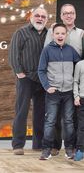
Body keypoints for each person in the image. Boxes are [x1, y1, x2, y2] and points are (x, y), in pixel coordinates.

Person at [44, 4, 84, 156]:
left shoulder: (81, 33)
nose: (68, 15)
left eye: (71, 13)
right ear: (61, 15)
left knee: (72, 116)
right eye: (65, 13)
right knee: (55, 114)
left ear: (75, 15)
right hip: (56, 77)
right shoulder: (52, 31)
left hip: (75, 78)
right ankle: (55, 145)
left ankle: (72, 146)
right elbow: (47, 52)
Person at [9, 7, 48, 155]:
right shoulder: (21, 32)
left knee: (40, 112)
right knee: (21, 111)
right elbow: (13, 54)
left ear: (46, 19)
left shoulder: (49, 34)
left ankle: (38, 144)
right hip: (25, 78)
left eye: (43, 16)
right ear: (31, 17)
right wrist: (19, 73)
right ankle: (18, 145)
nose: (40, 18)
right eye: (37, 15)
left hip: (43, 79)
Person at [38, 23, 81, 160]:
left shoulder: (71, 50)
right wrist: (47, 86)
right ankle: (46, 150)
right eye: (57, 33)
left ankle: (69, 149)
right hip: (53, 92)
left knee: (68, 121)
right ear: (53, 35)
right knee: (50, 121)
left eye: (63, 33)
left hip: (68, 92)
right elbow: (41, 70)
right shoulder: (47, 51)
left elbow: (79, 66)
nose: (60, 35)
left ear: (66, 35)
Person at [73, 59, 84, 161]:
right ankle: (80, 150)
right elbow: (75, 81)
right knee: (81, 126)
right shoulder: (80, 64)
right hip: (82, 99)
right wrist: (76, 96)